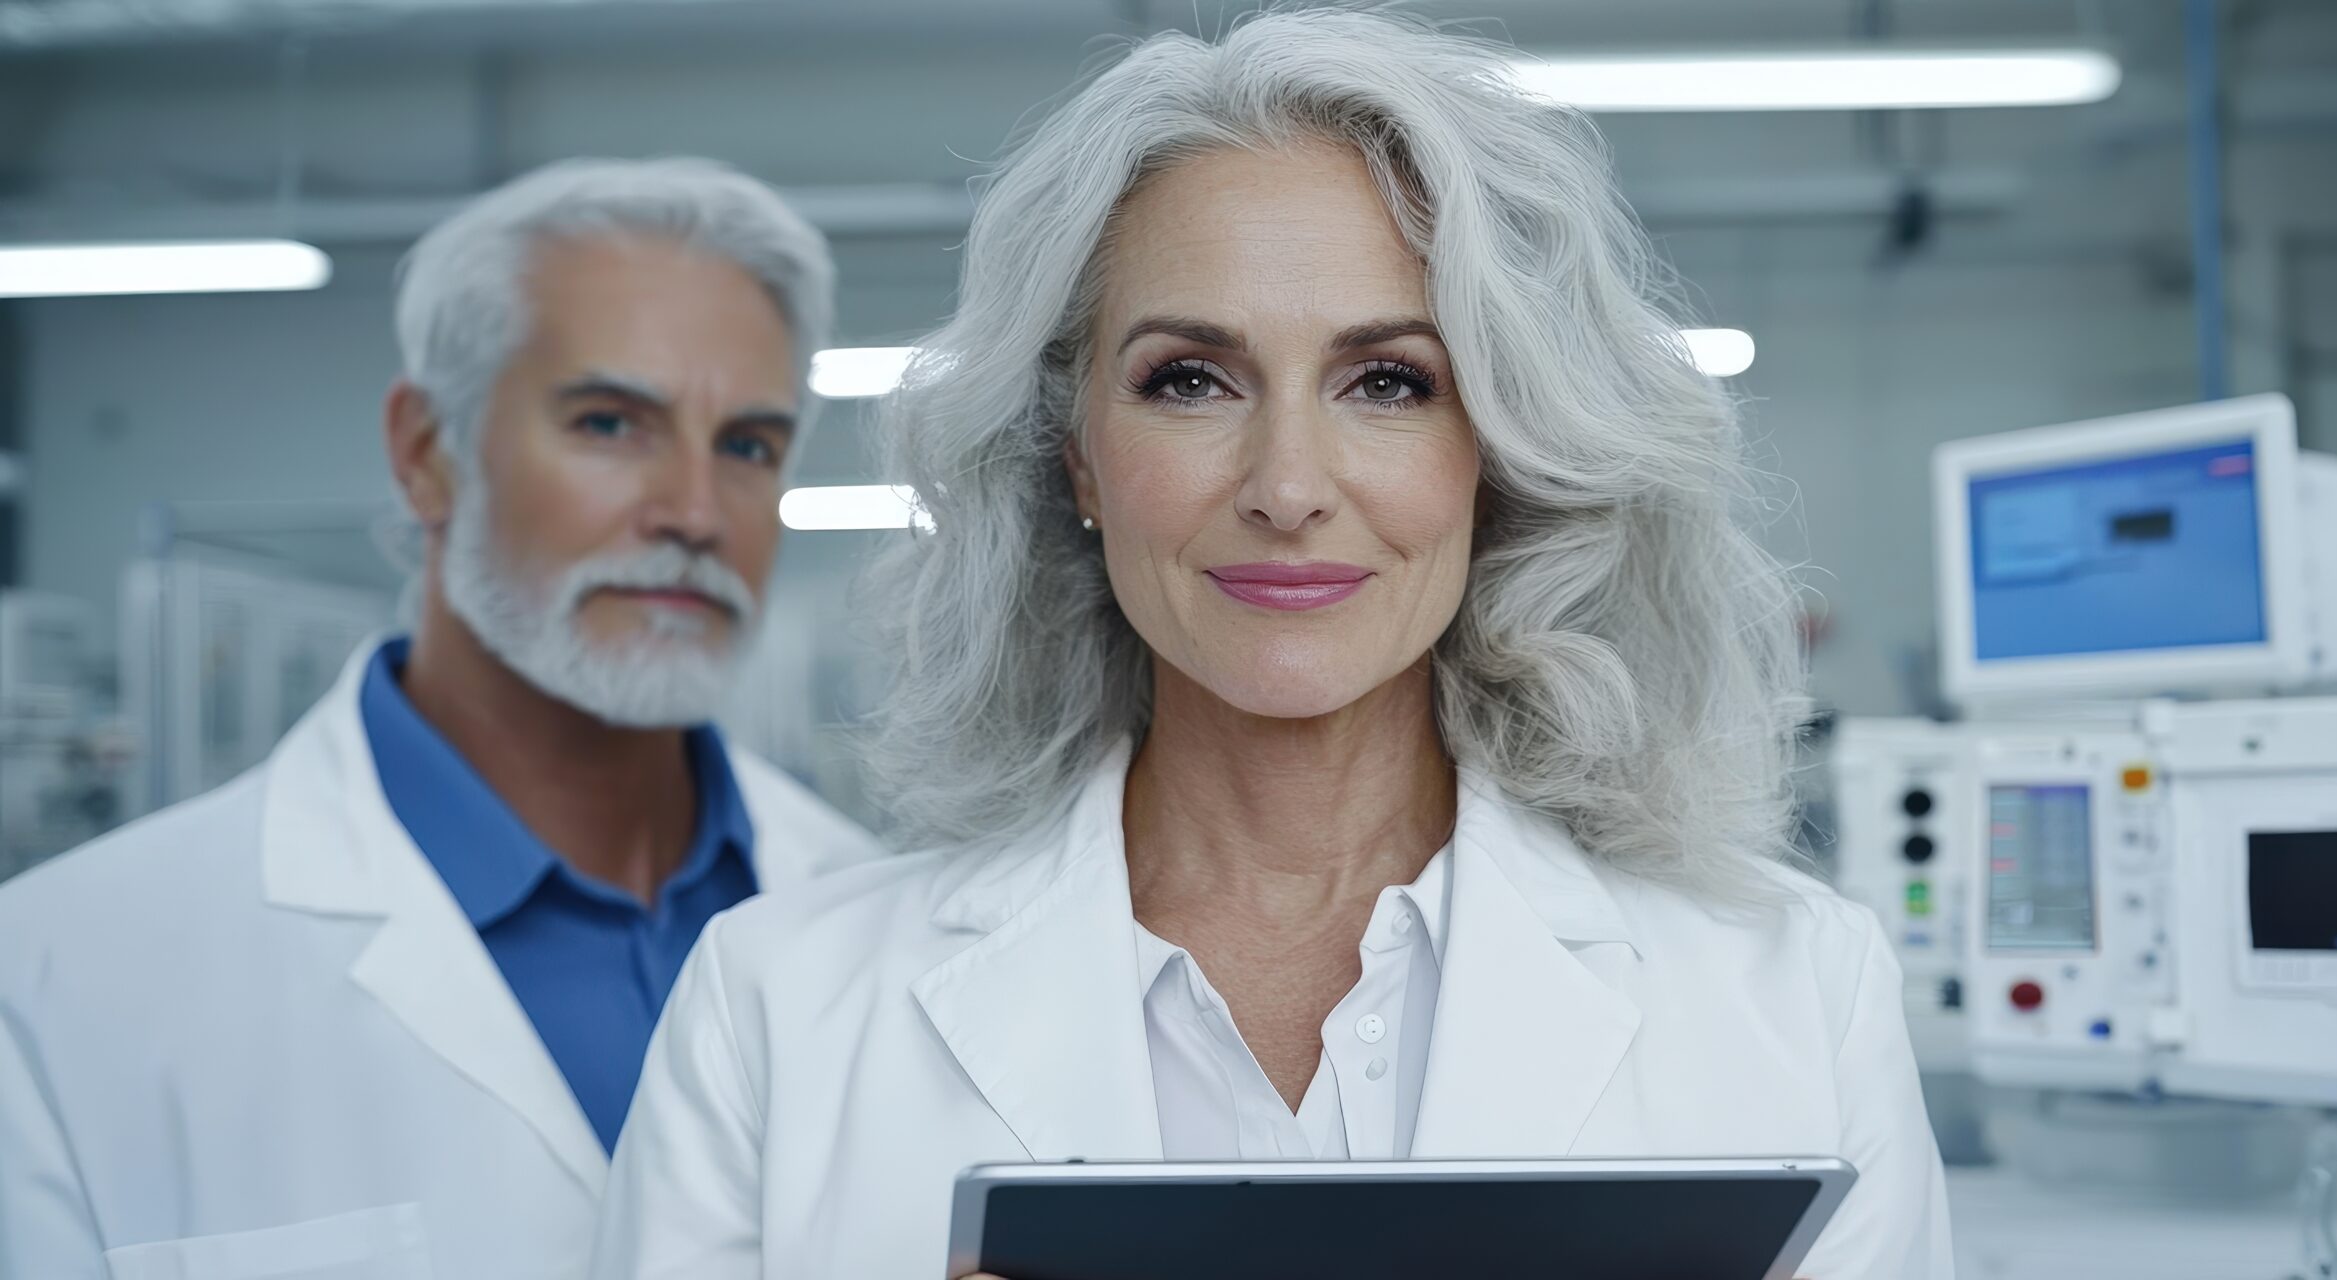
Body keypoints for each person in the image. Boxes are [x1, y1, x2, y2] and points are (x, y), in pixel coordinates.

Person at [594, 12, 1953, 1280]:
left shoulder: (1789, 993)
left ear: (1499, 450)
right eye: (1190, 380)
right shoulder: (776, 1007)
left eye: (1390, 383)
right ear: (1080, 455)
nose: (1289, 483)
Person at [0, 158, 885, 1280]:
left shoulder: (868, 912)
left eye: (749, 445)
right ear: (427, 453)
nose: (697, 513)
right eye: (611, 422)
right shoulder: (58, 980)